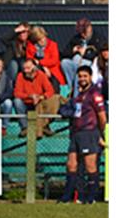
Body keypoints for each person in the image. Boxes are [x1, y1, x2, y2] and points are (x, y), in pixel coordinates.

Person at [62, 65, 106, 204]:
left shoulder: (95, 93)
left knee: (90, 166)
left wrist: (99, 133)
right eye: (80, 76)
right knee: (71, 164)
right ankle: (69, 196)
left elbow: (102, 117)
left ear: (90, 77)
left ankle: (91, 196)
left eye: (85, 76)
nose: (82, 79)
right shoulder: (79, 94)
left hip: (89, 132)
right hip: (76, 133)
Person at [14, 57, 60, 135]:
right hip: (26, 102)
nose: (25, 70)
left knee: (53, 99)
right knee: (17, 101)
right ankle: (24, 127)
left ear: (34, 68)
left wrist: (41, 97)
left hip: (39, 102)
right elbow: (17, 93)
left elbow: (50, 90)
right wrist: (30, 96)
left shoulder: (41, 75)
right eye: (24, 68)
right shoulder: (20, 76)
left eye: (28, 68)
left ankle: (45, 125)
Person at [26, 24, 66, 90]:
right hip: (38, 70)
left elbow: (54, 60)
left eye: (43, 37)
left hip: (53, 70)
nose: (43, 41)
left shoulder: (52, 45)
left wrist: (40, 63)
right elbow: (30, 59)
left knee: (54, 82)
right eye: (39, 39)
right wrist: (42, 67)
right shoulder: (31, 46)